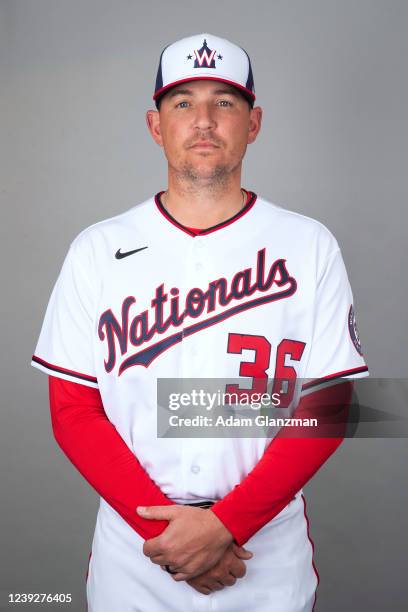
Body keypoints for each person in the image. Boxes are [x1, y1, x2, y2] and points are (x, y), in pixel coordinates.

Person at [31, 33, 369, 611]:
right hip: (136, 549)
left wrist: (228, 525)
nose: (204, 120)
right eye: (183, 102)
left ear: (254, 122)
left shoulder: (308, 244)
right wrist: (165, 536)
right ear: (155, 125)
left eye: (225, 102)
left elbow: (330, 406)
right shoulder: (98, 248)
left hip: (264, 547)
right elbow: (72, 410)